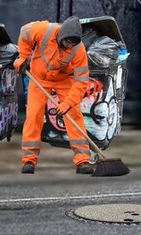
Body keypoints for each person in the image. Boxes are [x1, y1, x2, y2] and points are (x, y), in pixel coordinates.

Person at [13, 16, 94, 174]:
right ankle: (29, 160)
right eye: (68, 42)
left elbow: (81, 81)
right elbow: (24, 33)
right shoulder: (43, 30)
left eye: (73, 43)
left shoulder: (78, 50)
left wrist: (67, 103)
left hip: (64, 79)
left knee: (73, 114)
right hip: (38, 78)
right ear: (61, 36)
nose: (70, 46)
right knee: (33, 115)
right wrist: (23, 57)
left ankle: (82, 160)